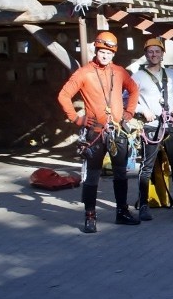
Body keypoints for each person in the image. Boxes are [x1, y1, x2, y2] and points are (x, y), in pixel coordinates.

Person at [57, 31, 140, 233]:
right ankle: (90, 216)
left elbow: (134, 89)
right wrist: (77, 119)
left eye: (109, 52)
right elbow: (64, 95)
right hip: (95, 133)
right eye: (102, 51)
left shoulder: (119, 72)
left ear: (114, 54)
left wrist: (129, 112)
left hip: (117, 131)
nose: (105, 55)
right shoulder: (84, 73)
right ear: (96, 50)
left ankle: (122, 212)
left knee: (121, 173)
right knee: (92, 176)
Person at [132, 38, 173, 221]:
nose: (154, 55)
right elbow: (126, 99)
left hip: (170, 124)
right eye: (150, 52)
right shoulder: (137, 77)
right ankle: (143, 204)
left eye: (157, 51)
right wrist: (142, 110)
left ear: (162, 54)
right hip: (151, 126)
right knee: (147, 167)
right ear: (146, 54)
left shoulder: (172, 74)